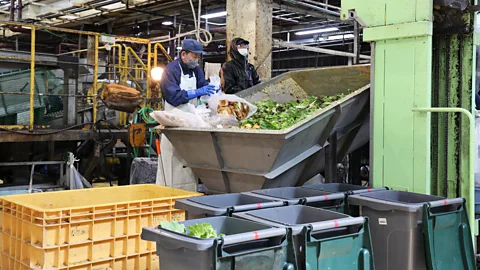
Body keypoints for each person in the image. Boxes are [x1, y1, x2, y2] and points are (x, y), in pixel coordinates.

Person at [157, 39, 215, 192]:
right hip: (173, 123)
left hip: (191, 124)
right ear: (183, 54)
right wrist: (196, 92)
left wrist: (212, 91)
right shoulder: (170, 71)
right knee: (172, 160)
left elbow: (202, 87)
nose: (197, 60)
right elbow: (173, 97)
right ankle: (168, 195)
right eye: (194, 56)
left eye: (198, 57)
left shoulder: (197, 70)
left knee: (189, 163)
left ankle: (189, 194)